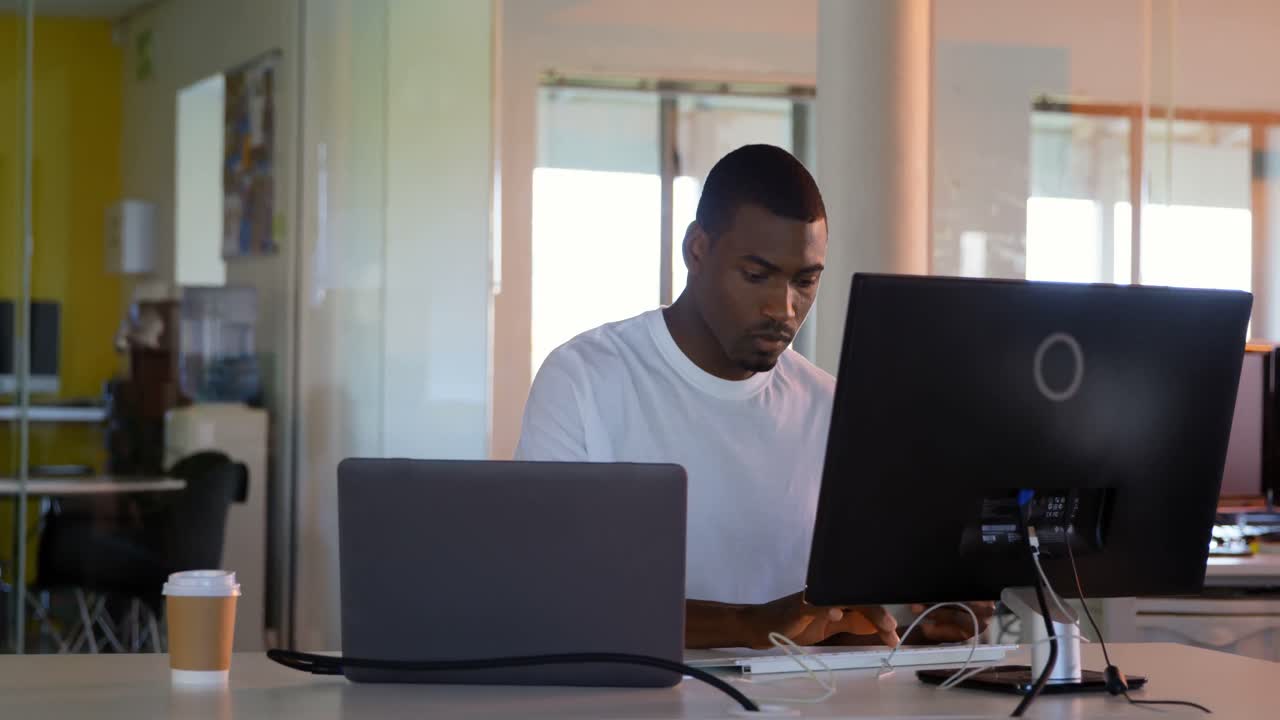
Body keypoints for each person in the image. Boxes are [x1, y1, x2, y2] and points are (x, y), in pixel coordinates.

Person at [516, 144, 991, 649]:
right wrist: (747, 626)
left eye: (805, 281)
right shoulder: (583, 379)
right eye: (757, 275)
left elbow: (836, 629)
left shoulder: (829, 408)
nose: (782, 308)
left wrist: (918, 632)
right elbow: (550, 599)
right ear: (697, 250)